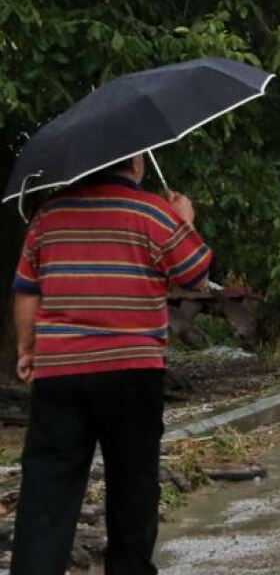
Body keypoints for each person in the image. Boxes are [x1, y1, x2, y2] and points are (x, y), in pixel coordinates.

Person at [10, 155, 211, 575]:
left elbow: (27, 289)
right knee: (133, 484)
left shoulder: (49, 215)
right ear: (136, 162)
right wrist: (184, 220)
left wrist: (28, 348)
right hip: (132, 371)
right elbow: (195, 274)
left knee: (47, 487)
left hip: (61, 372)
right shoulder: (152, 213)